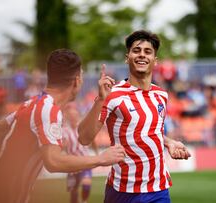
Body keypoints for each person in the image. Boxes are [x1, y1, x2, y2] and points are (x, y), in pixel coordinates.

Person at [0, 49, 126, 203]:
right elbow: (53, 161)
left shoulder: (32, 103)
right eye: (81, 76)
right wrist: (101, 158)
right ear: (76, 81)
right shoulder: (49, 110)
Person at [78, 30, 191, 203]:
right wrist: (100, 100)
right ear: (127, 57)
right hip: (122, 191)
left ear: (155, 60)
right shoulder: (112, 94)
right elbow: (84, 138)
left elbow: (148, 130)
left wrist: (170, 142)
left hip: (159, 190)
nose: (142, 55)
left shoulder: (161, 95)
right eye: (136, 50)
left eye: (148, 51)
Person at [62, 104, 98, 203]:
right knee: (73, 192)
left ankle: (84, 201)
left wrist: (96, 151)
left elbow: (92, 138)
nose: (74, 117)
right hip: (72, 164)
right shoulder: (64, 131)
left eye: (75, 115)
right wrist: (63, 146)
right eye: (71, 116)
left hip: (84, 161)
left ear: (77, 116)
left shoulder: (82, 127)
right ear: (69, 117)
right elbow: (61, 146)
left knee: (86, 184)